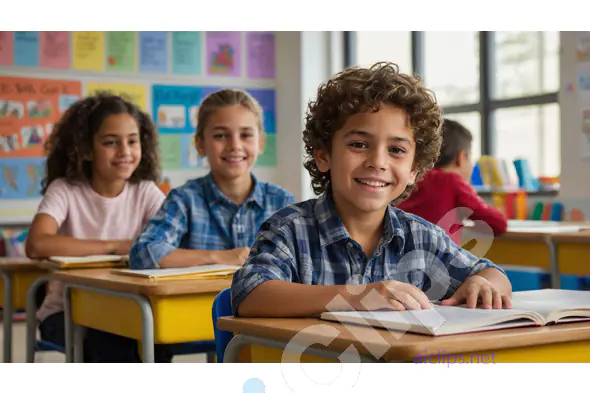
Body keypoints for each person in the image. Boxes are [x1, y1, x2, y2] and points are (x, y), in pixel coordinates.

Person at [231, 62, 512, 318]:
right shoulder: (289, 230)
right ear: (324, 155)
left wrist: (481, 283)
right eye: (359, 145)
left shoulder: (423, 237)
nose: (378, 162)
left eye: (396, 150)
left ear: (414, 169)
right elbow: (251, 294)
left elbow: (493, 274)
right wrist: (361, 297)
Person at [25, 92, 165, 362]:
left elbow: (174, 242)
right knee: (112, 339)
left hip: (129, 306)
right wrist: (115, 246)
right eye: (111, 142)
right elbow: (37, 243)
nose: (124, 151)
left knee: (157, 339)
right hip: (64, 312)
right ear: (86, 149)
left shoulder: (145, 191)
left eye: (132, 141)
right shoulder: (65, 189)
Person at [129, 89, 295, 270]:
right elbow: (144, 253)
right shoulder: (185, 200)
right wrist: (219, 257)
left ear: (260, 143)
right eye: (221, 136)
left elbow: (300, 266)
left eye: (245, 135)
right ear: (200, 144)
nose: (235, 146)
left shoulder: (281, 202)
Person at [397, 118, 508, 245]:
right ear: (462, 157)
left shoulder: (411, 176)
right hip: (438, 261)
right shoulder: (451, 181)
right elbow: (499, 223)